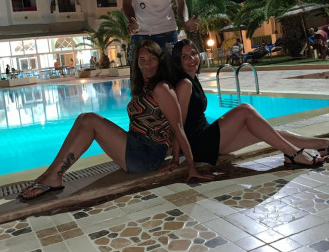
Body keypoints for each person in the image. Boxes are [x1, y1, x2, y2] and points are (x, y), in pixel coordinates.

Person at [20, 40, 212, 200]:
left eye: (152, 59)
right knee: (83, 118)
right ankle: (50, 174)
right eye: (142, 60)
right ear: (136, 64)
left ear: (160, 61)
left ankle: (54, 176)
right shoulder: (146, 86)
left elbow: (178, 128)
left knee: (90, 120)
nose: (147, 64)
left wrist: (189, 166)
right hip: (136, 145)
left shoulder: (162, 88)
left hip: (147, 155)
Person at [169, 40, 329, 170]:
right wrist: (177, 159)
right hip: (199, 144)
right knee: (244, 109)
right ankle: (294, 154)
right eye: (185, 57)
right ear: (178, 61)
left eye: (193, 53)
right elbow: (178, 125)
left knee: (271, 133)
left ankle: (324, 144)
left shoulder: (193, 79)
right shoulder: (185, 84)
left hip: (208, 141)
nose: (192, 59)